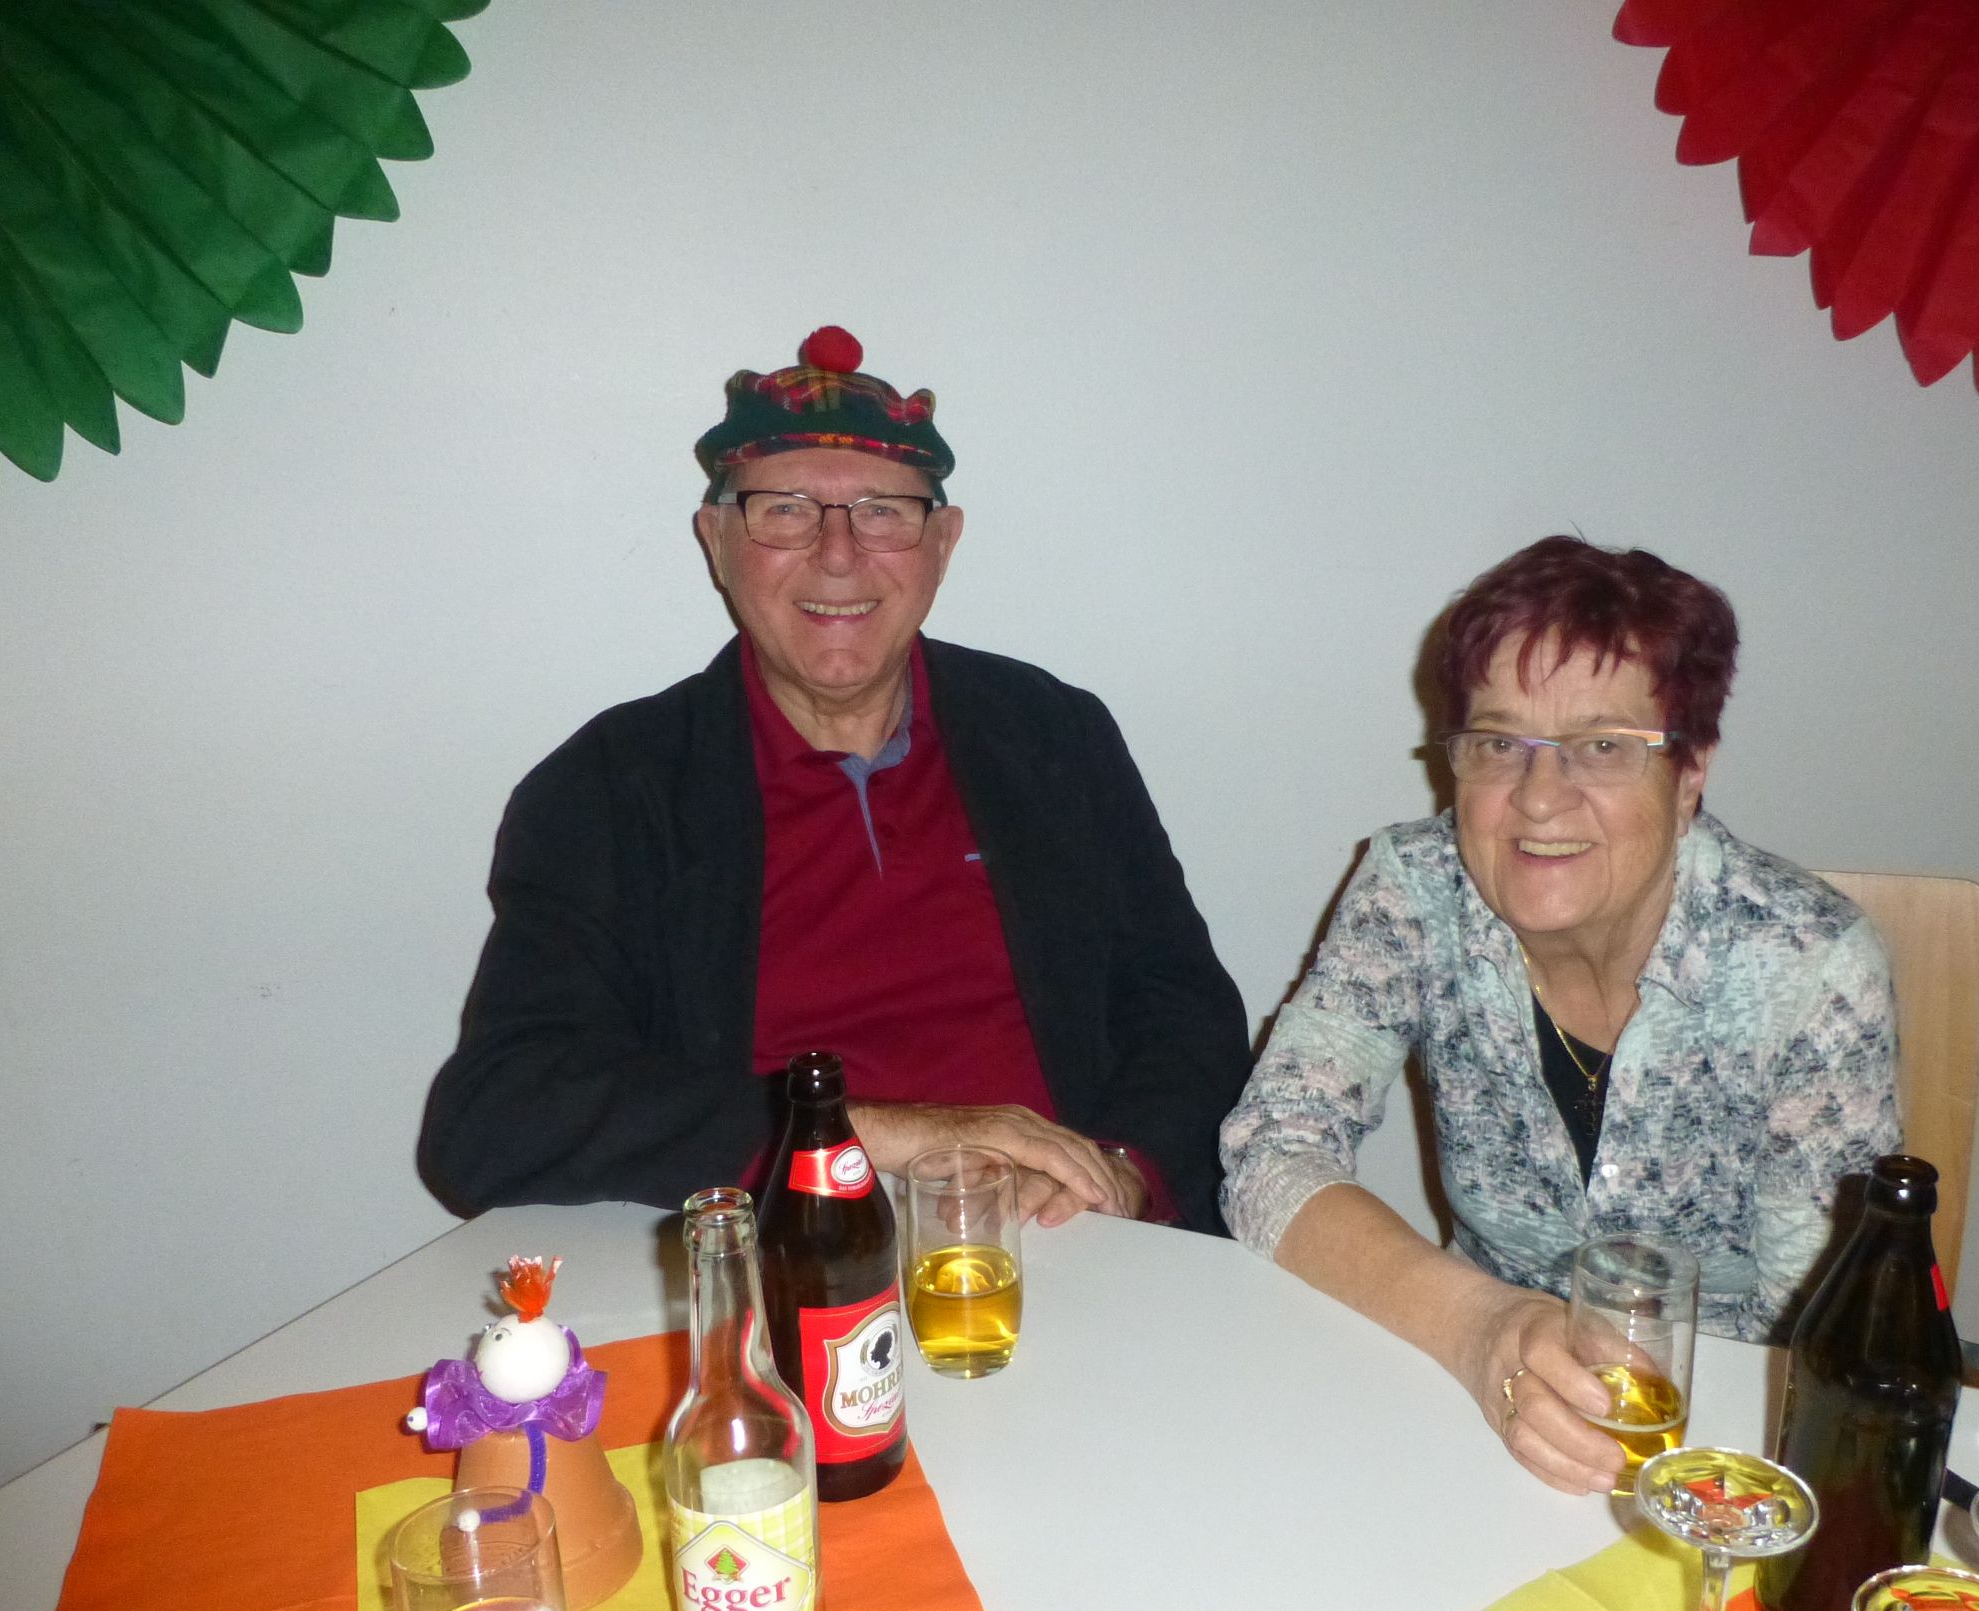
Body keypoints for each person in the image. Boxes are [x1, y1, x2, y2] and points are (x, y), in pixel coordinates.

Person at [424, 327, 1249, 1231]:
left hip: (1064, 1238)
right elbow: (497, 1117)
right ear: (716, 539)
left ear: (944, 543)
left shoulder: (1053, 735)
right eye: (785, 510)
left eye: (883, 512)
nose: (839, 553)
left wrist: (1120, 1173)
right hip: (787, 1249)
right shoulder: (611, 790)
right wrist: (851, 1132)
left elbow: (1186, 1014)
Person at [1220, 536, 1899, 1493]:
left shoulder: (1807, 967)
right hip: (1466, 1392)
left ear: (1690, 771)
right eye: (1499, 743)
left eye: (1604, 748)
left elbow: (1820, 1334)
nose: (1539, 799)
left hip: (1717, 1439)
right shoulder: (1415, 889)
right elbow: (1268, 1153)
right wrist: (1484, 1328)